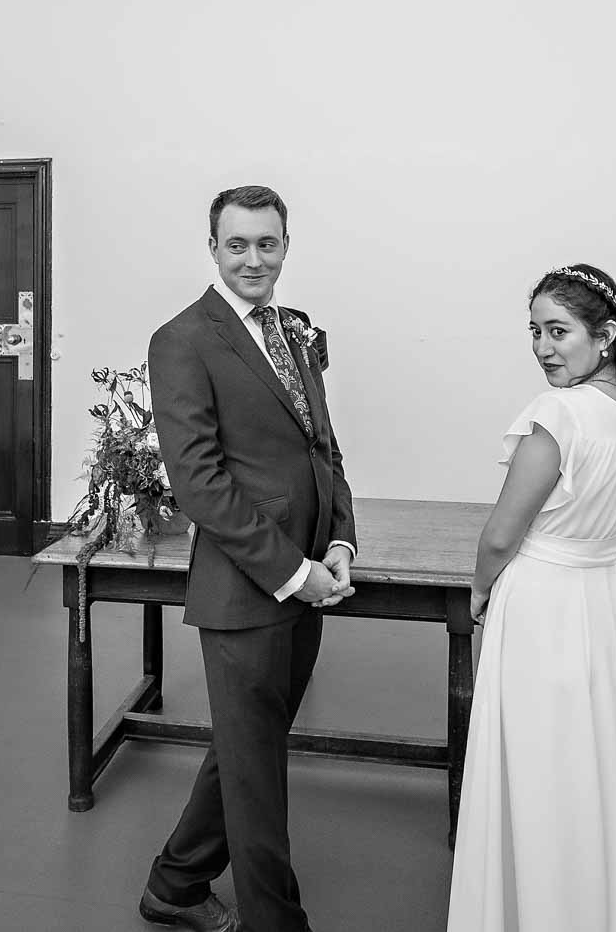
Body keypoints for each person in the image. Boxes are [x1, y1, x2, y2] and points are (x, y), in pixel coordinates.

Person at [138, 185, 357, 932]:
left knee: (245, 748)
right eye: (238, 244)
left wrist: (339, 541)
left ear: (286, 247)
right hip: (248, 592)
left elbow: (323, 448)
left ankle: (175, 885)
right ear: (213, 249)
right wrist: (295, 575)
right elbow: (199, 484)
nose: (253, 258)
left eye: (267, 243)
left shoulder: (291, 332)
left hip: (311, 575)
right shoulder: (182, 339)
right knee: (258, 774)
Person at [447, 264, 616, 932]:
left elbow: (500, 533)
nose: (544, 347)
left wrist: (481, 587)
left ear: (605, 334)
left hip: (543, 602)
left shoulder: (559, 414)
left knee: (539, 768)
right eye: (535, 331)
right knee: (595, 767)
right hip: (604, 602)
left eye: (559, 331)